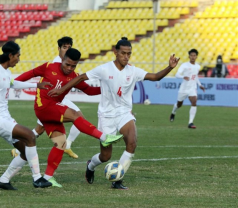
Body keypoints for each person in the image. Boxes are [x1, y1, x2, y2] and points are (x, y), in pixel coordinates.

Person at [48, 37, 180, 189]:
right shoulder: (104, 69)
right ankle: (91, 165)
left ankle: (118, 179)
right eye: (123, 53)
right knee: (106, 156)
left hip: (124, 113)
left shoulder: (133, 71)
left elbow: (155, 76)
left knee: (132, 143)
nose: (126, 56)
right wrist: (62, 89)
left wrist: (170, 67)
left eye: (129, 54)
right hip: (106, 116)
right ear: (115, 52)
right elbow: (81, 77)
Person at [15, 48, 123, 188]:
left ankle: (47, 178)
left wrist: (107, 88)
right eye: (67, 64)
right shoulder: (49, 67)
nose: (69, 68)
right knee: (74, 114)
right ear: (62, 59)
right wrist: (13, 82)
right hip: (43, 107)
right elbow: (30, 74)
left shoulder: (74, 76)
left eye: (73, 66)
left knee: (61, 143)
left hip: (53, 108)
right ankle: (103, 137)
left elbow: (89, 91)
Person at [0, 41, 53, 190]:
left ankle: (3, 180)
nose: (19, 59)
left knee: (24, 151)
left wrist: (37, 85)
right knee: (30, 135)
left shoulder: (5, 71)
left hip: (6, 118)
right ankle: (37, 178)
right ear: (10, 55)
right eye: (17, 56)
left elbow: (13, 84)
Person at [11, 36, 83, 159]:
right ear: (59, 49)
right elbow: (33, 73)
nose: (66, 50)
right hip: (48, 100)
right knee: (42, 128)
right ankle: (18, 149)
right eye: (64, 47)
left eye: (69, 47)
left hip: (58, 99)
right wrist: (14, 82)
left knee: (41, 129)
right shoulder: (55, 63)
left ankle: (67, 145)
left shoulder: (68, 63)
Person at [170, 49, 205, 129]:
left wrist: (200, 84)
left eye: (194, 55)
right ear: (189, 56)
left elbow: (195, 76)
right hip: (184, 88)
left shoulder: (197, 66)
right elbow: (177, 74)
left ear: (196, 57)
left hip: (192, 88)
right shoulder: (184, 65)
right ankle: (173, 112)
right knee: (179, 104)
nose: (193, 57)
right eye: (191, 55)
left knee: (194, 101)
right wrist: (183, 77)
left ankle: (190, 122)